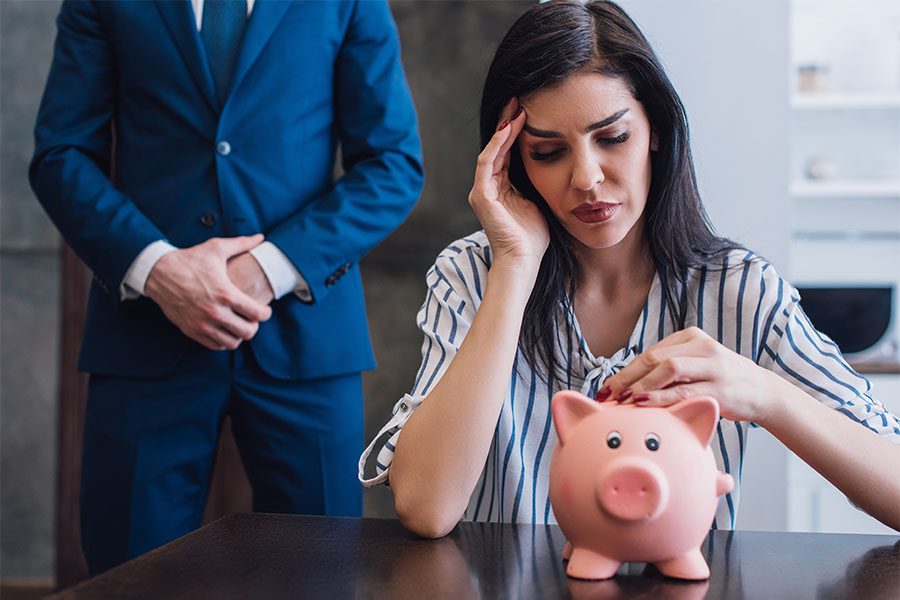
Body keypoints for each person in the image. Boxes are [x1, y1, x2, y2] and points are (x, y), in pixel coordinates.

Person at [358, 0, 900, 538]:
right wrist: (514, 269)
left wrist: (767, 394)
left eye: (612, 138)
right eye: (547, 152)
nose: (587, 178)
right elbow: (426, 507)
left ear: (655, 130)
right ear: (511, 160)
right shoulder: (470, 275)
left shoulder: (740, 289)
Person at [31, 0, 423, 574]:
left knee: (316, 578)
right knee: (128, 577)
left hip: (306, 339)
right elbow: (61, 155)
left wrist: (266, 268)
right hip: (146, 332)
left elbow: (393, 163)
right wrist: (158, 269)